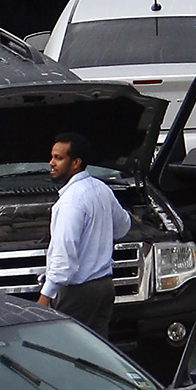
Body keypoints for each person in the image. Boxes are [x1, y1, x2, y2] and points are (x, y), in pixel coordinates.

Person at [38, 134, 127, 331]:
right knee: (98, 347)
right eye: (52, 157)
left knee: (64, 346)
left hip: (78, 293)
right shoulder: (102, 189)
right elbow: (123, 227)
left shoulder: (71, 201)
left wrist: (44, 298)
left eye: (58, 158)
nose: (51, 163)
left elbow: (64, 258)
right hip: (105, 287)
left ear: (76, 162)